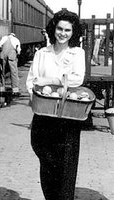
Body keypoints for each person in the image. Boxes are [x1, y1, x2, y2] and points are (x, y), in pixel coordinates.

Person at [26, 9, 85, 200]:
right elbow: (31, 81)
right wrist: (39, 89)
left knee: (66, 167)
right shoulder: (42, 53)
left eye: (68, 30)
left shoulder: (77, 53)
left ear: (73, 32)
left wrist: (49, 80)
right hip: (44, 113)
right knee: (45, 158)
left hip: (68, 116)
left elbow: (76, 79)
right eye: (60, 29)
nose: (63, 33)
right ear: (53, 29)